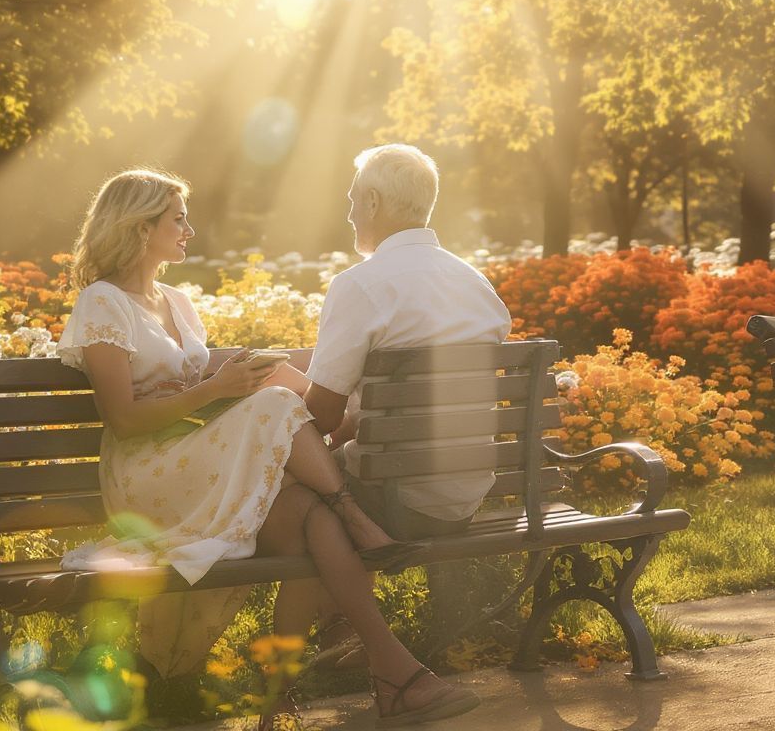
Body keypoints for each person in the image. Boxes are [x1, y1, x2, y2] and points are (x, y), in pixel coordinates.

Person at [57, 168, 481, 729]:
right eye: (178, 219)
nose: (190, 229)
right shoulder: (102, 303)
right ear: (139, 228)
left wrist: (236, 379)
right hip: (146, 473)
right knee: (281, 409)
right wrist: (214, 391)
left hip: (194, 457)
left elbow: (192, 389)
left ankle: (321, 687)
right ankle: (351, 509)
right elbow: (124, 419)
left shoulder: (178, 303)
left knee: (309, 520)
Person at [297, 142, 513, 671]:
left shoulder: (360, 286)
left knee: (295, 492)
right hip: (466, 492)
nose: (348, 212)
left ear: (372, 201)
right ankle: (347, 633)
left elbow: (319, 416)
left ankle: (339, 635)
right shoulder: (475, 283)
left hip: (399, 499)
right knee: (339, 461)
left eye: (352, 200)